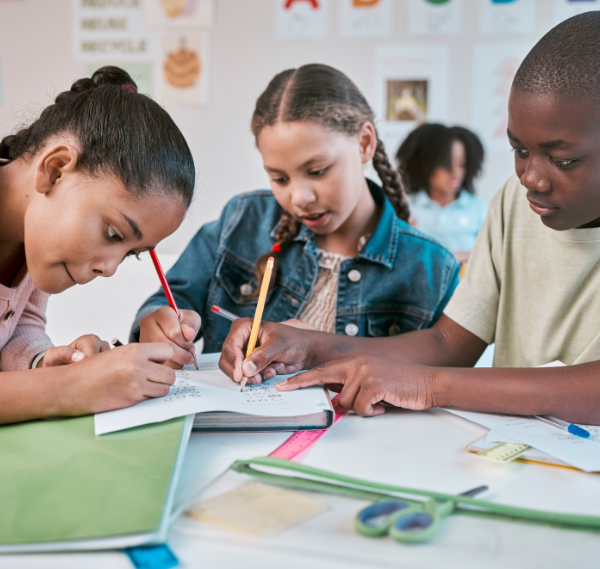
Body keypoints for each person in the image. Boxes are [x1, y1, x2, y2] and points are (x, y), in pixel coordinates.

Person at [219, 12, 600, 425]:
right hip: (519, 456)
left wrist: (428, 384)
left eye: (563, 159)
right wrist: (311, 346)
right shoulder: (514, 201)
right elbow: (449, 341)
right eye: (519, 150)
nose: (531, 178)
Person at [133, 64, 459, 367]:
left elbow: (434, 380)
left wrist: (318, 346)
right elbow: (169, 301)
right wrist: (158, 321)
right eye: (279, 178)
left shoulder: (431, 268)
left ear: (364, 143)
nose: (299, 198)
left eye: (317, 171)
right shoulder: (241, 220)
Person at [0, 66, 195, 425]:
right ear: (55, 170)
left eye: (131, 254)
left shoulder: (34, 234)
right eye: (114, 234)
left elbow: (19, 324)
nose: (109, 268)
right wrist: (69, 386)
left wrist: (46, 363)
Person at [397, 123, 487, 263]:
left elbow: (492, 258)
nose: (455, 172)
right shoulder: (405, 207)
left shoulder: (480, 210)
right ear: (426, 164)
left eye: (461, 163)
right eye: (445, 164)